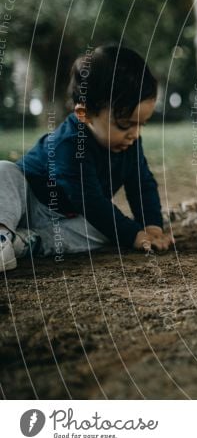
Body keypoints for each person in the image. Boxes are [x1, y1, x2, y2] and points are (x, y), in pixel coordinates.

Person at [0, 45, 173, 272]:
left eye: (142, 124)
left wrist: (151, 226)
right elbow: (90, 199)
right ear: (85, 114)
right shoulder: (69, 144)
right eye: (124, 124)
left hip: (69, 220)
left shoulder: (130, 142)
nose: (135, 134)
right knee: (5, 171)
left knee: (105, 231)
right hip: (29, 202)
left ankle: (28, 243)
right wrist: (133, 234)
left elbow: (141, 183)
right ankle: (3, 235)